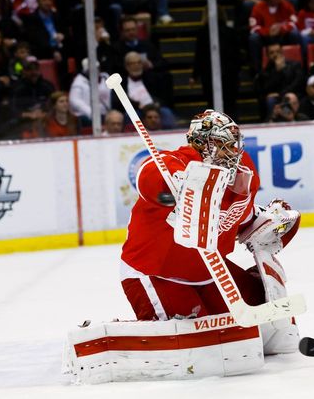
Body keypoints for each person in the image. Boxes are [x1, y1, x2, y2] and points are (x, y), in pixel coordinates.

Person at [119, 110, 301, 368]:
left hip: (209, 271)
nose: (233, 151)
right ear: (204, 144)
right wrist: (174, 188)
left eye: (234, 144)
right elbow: (148, 176)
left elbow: (242, 220)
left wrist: (269, 221)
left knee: (267, 323)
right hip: (157, 273)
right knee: (199, 349)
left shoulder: (242, 173)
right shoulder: (177, 163)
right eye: (225, 144)